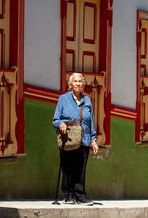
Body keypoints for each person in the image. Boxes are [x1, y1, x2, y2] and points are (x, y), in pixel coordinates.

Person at [52, 73, 99, 205]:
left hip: (84, 138)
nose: (78, 84)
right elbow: (55, 119)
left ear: (83, 85)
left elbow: (91, 121)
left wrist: (93, 140)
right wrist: (60, 124)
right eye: (75, 81)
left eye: (80, 82)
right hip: (69, 137)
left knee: (81, 168)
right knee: (68, 168)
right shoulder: (63, 99)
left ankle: (80, 196)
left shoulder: (87, 100)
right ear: (70, 85)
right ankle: (68, 195)